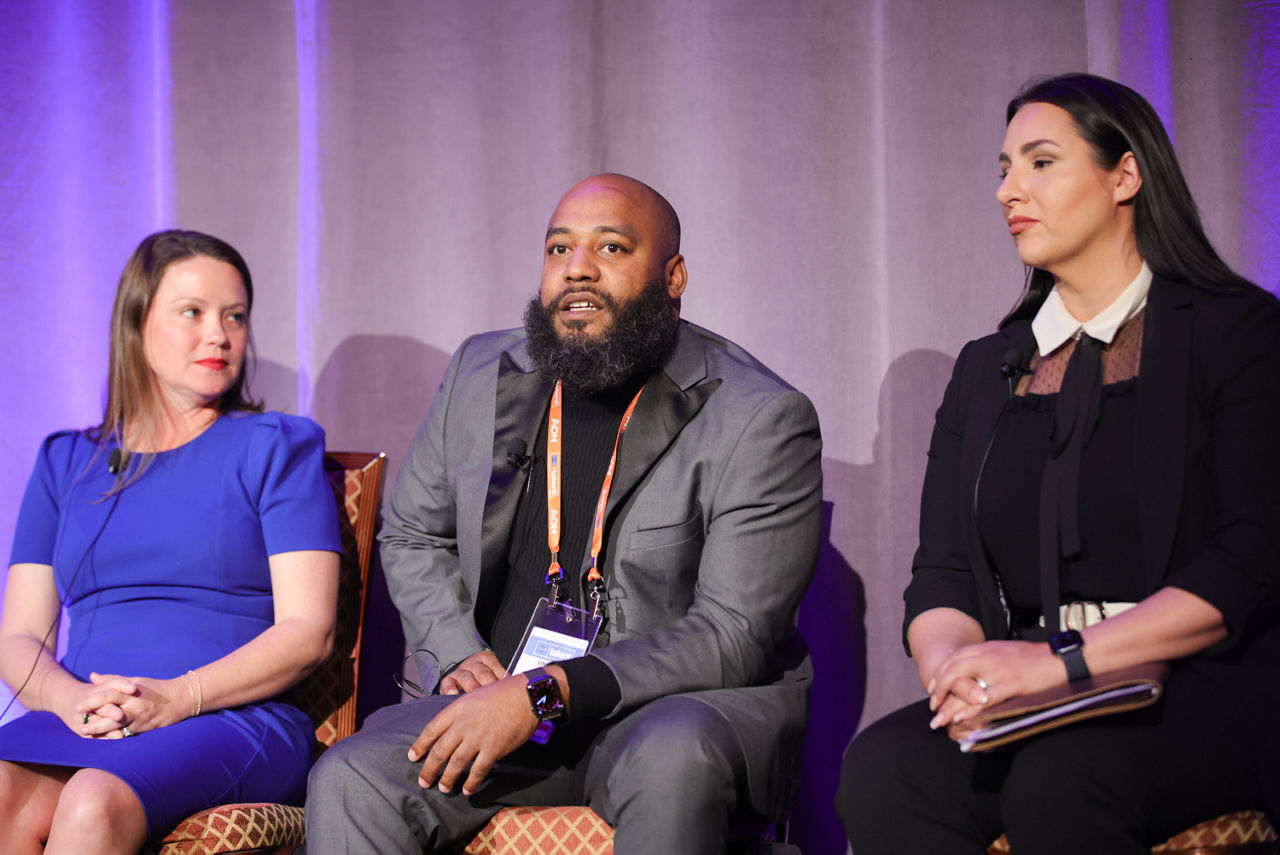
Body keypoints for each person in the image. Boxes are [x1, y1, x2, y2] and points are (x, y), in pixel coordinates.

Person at [305, 173, 823, 853]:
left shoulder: (759, 416)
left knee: (675, 758)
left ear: (674, 275)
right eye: (558, 250)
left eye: (610, 248)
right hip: (504, 706)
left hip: (660, 713)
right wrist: (461, 653)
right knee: (352, 775)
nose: (577, 268)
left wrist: (547, 692)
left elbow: (730, 634)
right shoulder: (481, 370)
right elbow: (413, 532)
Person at [835, 72, 1280, 853]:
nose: (1011, 190)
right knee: (883, 770)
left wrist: (1061, 663)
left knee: (1062, 776)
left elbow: (1249, 558)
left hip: (1204, 677)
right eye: (1003, 169)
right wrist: (953, 675)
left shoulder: (1237, 333)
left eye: (1040, 162)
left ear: (1125, 175)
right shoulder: (986, 368)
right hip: (1033, 683)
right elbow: (942, 573)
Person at [0, 230, 341, 853]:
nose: (219, 334)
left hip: (228, 716)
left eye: (234, 316)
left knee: (92, 800)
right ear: (137, 323)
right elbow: (19, 633)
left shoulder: (275, 447)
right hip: (91, 716)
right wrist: (68, 697)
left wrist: (179, 697)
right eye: (193, 313)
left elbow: (308, 629)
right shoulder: (65, 461)